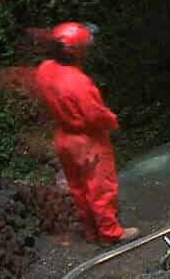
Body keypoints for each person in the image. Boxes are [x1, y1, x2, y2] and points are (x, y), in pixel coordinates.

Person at [30, 21, 137, 244]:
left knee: (78, 187)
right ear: (78, 51)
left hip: (63, 138)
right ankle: (110, 233)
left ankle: (90, 230)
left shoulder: (45, 70)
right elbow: (94, 114)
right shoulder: (78, 82)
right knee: (101, 186)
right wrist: (112, 120)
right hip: (87, 140)